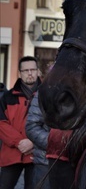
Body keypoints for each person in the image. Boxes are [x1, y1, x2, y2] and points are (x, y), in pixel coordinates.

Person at [0, 56, 41, 189]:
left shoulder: (47, 96)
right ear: (20, 73)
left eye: (33, 70)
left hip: (37, 154)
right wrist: (19, 142)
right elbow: (1, 124)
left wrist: (33, 142)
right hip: (12, 153)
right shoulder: (7, 97)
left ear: (38, 71)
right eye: (26, 70)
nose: (30, 73)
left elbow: (52, 124)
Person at [25, 91, 51, 189]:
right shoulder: (44, 93)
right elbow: (32, 127)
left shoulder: (83, 91)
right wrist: (56, 143)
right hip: (45, 162)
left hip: (76, 163)